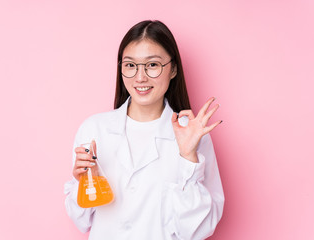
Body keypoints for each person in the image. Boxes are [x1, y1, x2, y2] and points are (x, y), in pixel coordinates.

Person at [64, 20, 224, 240]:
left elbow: (198, 230)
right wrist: (83, 182)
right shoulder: (94, 129)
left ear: (173, 68)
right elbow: (81, 220)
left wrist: (188, 158)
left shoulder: (193, 135)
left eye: (152, 65)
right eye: (130, 65)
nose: (140, 77)